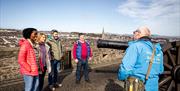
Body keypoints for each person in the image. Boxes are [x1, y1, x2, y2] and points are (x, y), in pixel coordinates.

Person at [118, 26, 164, 91]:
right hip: (153, 87)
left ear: (138, 33)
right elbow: (160, 70)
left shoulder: (135, 46)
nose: (133, 33)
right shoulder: (158, 50)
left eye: (134, 32)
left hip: (137, 86)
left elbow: (125, 69)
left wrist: (121, 77)